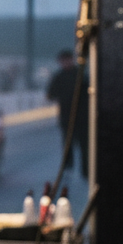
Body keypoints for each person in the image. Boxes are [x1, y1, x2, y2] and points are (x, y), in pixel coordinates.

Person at [46, 49, 89, 179]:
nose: (65, 63)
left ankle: (86, 171)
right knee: (67, 144)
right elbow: (50, 94)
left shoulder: (81, 75)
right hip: (66, 116)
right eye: (63, 61)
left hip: (82, 116)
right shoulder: (58, 77)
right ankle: (68, 168)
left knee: (84, 145)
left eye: (67, 60)